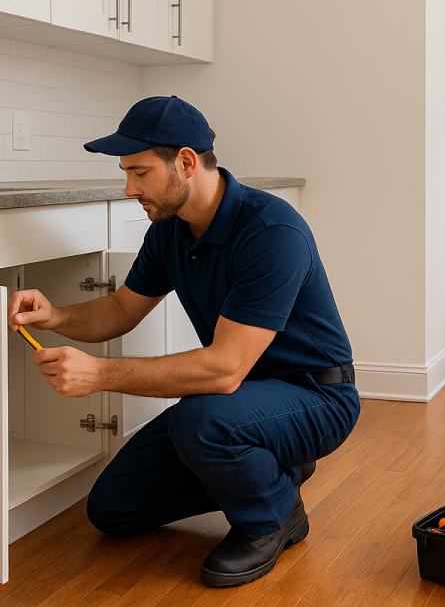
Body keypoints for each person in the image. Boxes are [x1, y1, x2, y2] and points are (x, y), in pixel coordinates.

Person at [7, 95, 360, 587]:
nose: (129, 188)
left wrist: (100, 374)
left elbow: (223, 369)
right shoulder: (170, 231)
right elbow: (119, 310)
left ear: (187, 163)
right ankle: (270, 464)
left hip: (314, 396)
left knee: (201, 419)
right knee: (113, 508)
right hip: (238, 399)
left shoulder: (270, 230)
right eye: (126, 173)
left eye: (140, 172)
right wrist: (54, 315)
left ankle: (275, 515)